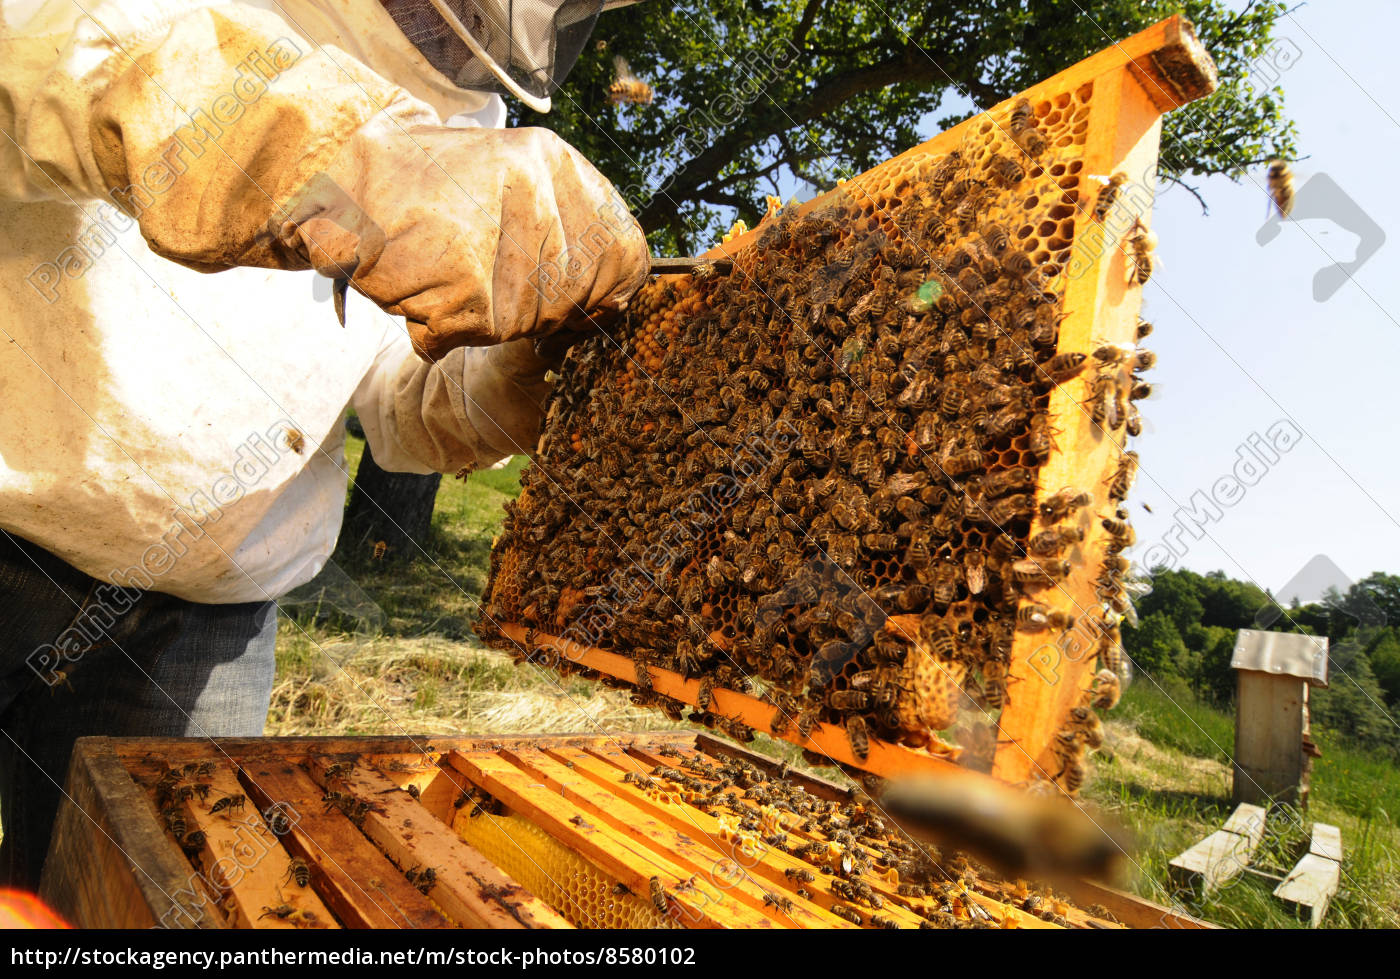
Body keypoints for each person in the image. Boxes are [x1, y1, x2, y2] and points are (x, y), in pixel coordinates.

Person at [0, 0, 649, 890]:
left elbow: (391, 392)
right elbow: (54, 49)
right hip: (15, 526)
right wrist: (342, 155)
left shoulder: (475, 123)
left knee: (138, 912)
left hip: (209, 618)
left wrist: (512, 381)